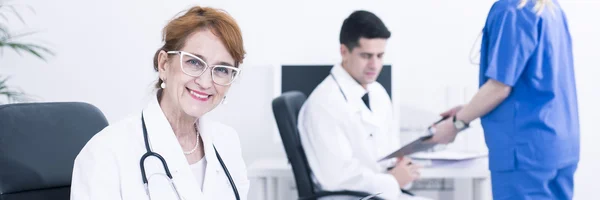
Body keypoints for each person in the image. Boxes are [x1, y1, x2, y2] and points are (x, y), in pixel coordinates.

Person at [70, 6, 249, 200]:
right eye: (194, 62)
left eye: (222, 70)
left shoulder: (227, 141)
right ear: (164, 64)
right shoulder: (106, 153)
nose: (206, 82)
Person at [430, 0, 579, 199]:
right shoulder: (550, 8)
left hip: (524, 151)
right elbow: (534, 82)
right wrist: (468, 108)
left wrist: (455, 124)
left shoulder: (511, 10)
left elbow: (499, 88)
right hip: (558, 146)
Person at [298, 10, 430, 200]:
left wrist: (400, 167)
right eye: (366, 56)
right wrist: (392, 180)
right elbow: (334, 178)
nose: (374, 65)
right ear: (344, 51)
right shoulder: (323, 103)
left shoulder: (377, 92)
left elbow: (384, 152)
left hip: (380, 192)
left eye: (380, 56)